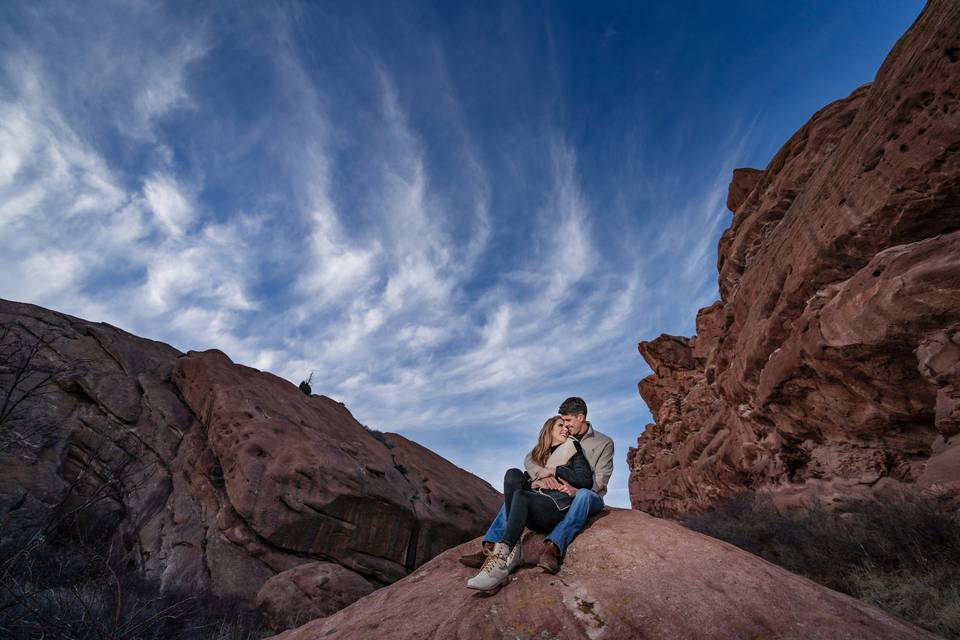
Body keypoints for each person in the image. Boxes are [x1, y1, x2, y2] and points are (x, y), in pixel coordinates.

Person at [460, 397, 614, 575]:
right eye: (562, 422)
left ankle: (553, 549)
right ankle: (492, 546)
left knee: (584, 496)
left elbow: (601, 480)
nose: (566, 425)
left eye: (569, 421)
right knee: (516, 492)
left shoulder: (603, 442)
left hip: (587, 495)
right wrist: (540, 477)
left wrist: (576, 490)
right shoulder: (564, 437)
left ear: (581, 417)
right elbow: (532, 457)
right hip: (555, 494)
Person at [466, 415, 594, 590]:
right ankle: (511, 547)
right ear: (549, 430)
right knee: (513, 474)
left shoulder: (573, 450)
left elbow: (585, 480)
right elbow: (522, 485)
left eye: (567, 426)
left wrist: (555, 470)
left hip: (555, 508)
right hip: (535, 504)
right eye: (560, 425)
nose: (566, 428)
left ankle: (500, 558)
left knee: (522, 496)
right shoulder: (537, 456)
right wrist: (535, 482)